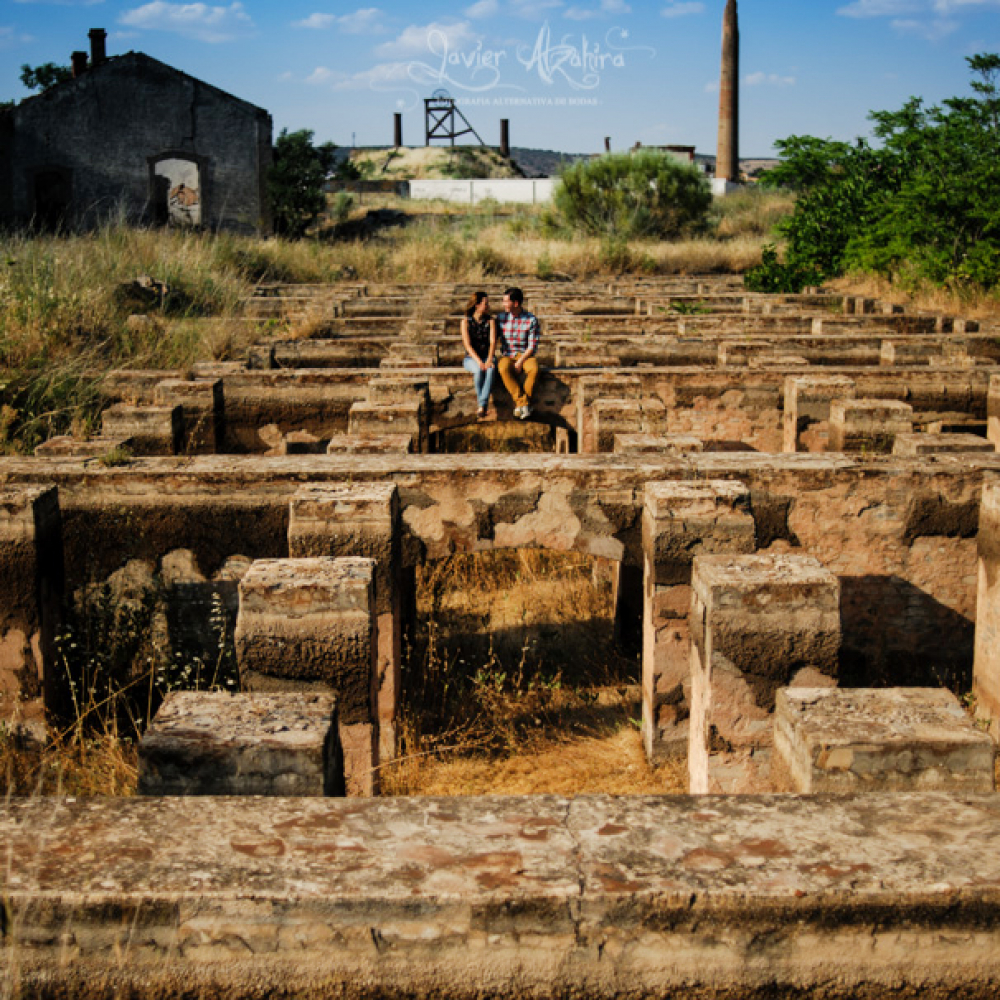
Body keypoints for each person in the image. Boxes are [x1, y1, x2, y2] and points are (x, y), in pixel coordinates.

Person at [496, 286, 540, 419]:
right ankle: (523, 403)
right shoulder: (501, 318)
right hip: (508, 354)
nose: (503, 304)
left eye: (506, 301)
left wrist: (520, 361)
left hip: (525, 354)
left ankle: (521, 405)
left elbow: (532, 345)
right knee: (503, 368)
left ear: (515, 303)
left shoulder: (531, 319)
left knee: (534, 369)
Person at [461, 290, 497, 418]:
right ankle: (482, 404)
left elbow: (493, 342)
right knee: (478, 370)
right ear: (477, 305)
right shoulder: (465, 322)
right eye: (485, 303)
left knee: (491, 370)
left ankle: (482, 405)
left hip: (488, 355)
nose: (488, 306)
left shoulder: (490, 321)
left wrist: (489, 359)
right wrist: (479, 361)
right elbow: (467, 345)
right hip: (471, 358)